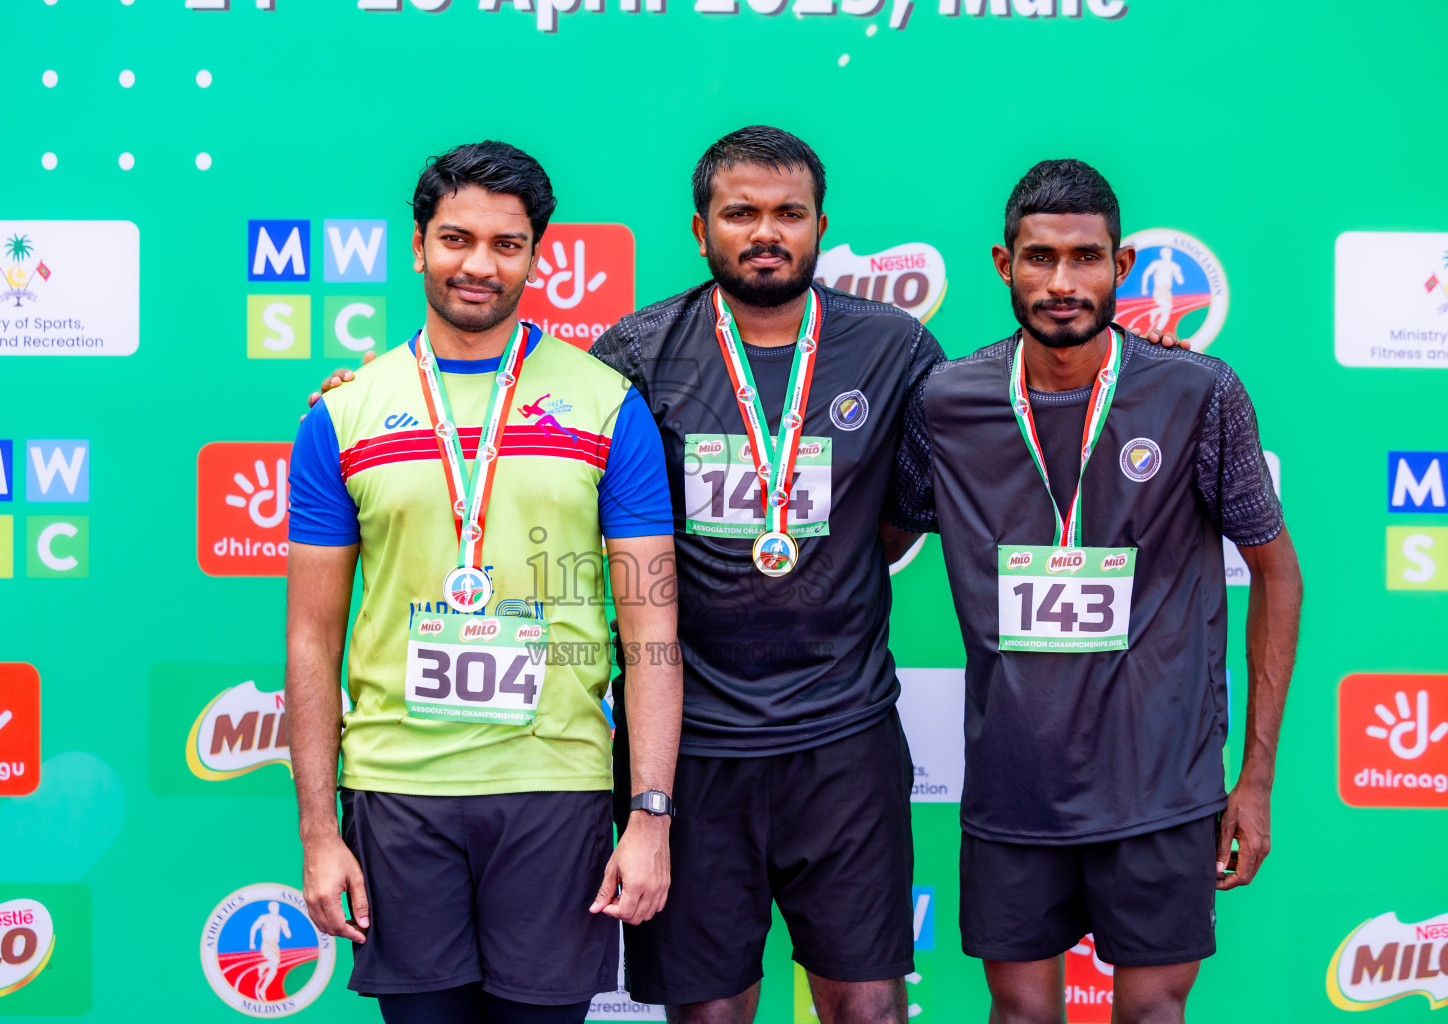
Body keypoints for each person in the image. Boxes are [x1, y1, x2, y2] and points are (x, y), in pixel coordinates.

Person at [310, 128, 1186, 1024]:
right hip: (693, 749)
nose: (765, 233)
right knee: (708, 1014)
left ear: (821, 225)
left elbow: (915, 510)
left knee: (868, 1007)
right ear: (701, 230)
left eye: (788, 214)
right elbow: (532, 426)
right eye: (741, 214)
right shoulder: (637, 355)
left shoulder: (895, 350)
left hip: (843, 738)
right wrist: (369, 389)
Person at [885, 158, 1303, 1024]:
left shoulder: (1199, 392)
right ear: (1004, 265)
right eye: (1040, 259)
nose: (1062, 283)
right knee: (1023, 1016)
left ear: (1125, 264)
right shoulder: (948, 399)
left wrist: (1254, 778)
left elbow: (1276, 572)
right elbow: (877, 540)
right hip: (1013, 785)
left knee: (1153, 1014)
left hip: (1162, 786)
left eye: (1086, 258)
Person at [285, 140, 683, 1024]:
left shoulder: (606, 403)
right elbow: (310, 640)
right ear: (418, 245)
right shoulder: (343, 414)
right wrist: (318, 831)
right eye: (457, 238)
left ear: (537, 255)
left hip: (554, 787)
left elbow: (651, 631)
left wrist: (650, 818)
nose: (480, 264)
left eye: (508, 244)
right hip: (399, 792)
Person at [250, 901, 291, 1001]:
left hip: (275, 946)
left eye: (276, 908)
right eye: (273, 908)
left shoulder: (282, 920)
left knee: (273, 971)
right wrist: (252, 942)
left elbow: (288, 935)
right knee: (276, 961)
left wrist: (286, 927)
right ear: (270, 909)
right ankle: (262, 966)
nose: (275, 910)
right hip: (266, 945)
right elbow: (254, 928)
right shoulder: (264, 918)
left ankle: (262, 990)